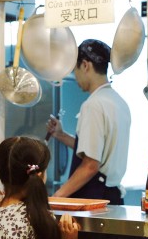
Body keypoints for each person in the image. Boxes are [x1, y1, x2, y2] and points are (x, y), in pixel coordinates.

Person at [45, 39, 131, 205]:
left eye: (75, 69)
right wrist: (61, 135)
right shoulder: (119, 102)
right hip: (113, 197)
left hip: (94, 198)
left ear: (85, 65)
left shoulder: (93, 105)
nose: (74, 76)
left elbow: (91, 165)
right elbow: (99, 150)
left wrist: (56, 198)